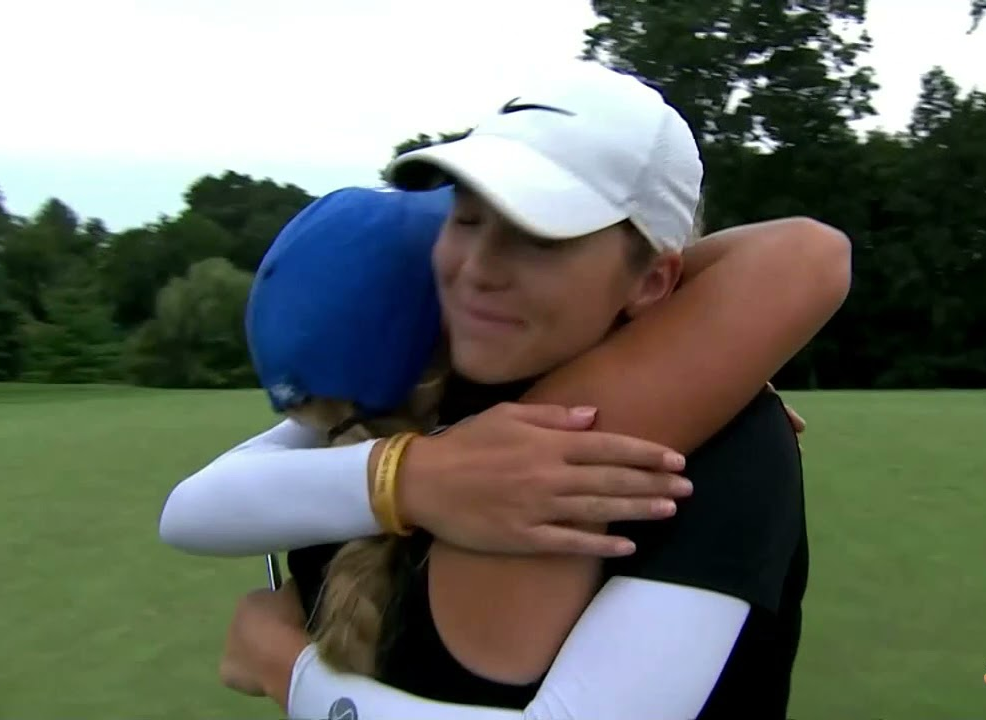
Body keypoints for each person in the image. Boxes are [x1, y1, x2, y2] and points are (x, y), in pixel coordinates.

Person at [166, 62, 849, 719]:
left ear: (653, 282)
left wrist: (283, 670)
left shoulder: (730, 447)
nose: (477, 270)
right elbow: (190, 509)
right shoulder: (411, 391)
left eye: (538, 236)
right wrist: (411, 480)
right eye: (466, 219)